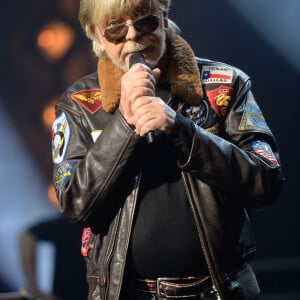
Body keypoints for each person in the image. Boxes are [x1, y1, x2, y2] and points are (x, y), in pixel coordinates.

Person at [51, 0, 284, 299]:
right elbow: (74, 203)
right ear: (97, 35)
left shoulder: (225, 85)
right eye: (115, 29)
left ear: (164, 18)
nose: (133, 36)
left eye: (144, 21)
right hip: (130, 293)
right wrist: (124, 123)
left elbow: (267, 181)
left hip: (221, 289)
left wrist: (184, 132)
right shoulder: (79, 104)